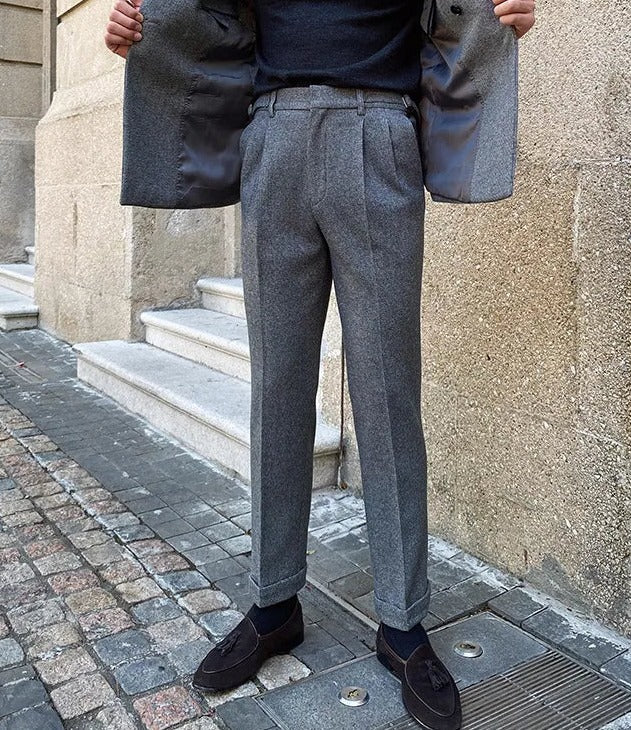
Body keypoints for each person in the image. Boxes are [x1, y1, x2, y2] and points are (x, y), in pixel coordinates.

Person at [104, 2, 535, 728]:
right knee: (276, 388)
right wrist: (147, 31)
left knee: (388, 393)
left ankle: (402, 621)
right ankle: (273, 603)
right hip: (272, 134)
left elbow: (458, 13)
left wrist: (502, 16)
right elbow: (213, 14)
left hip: (380, 132)